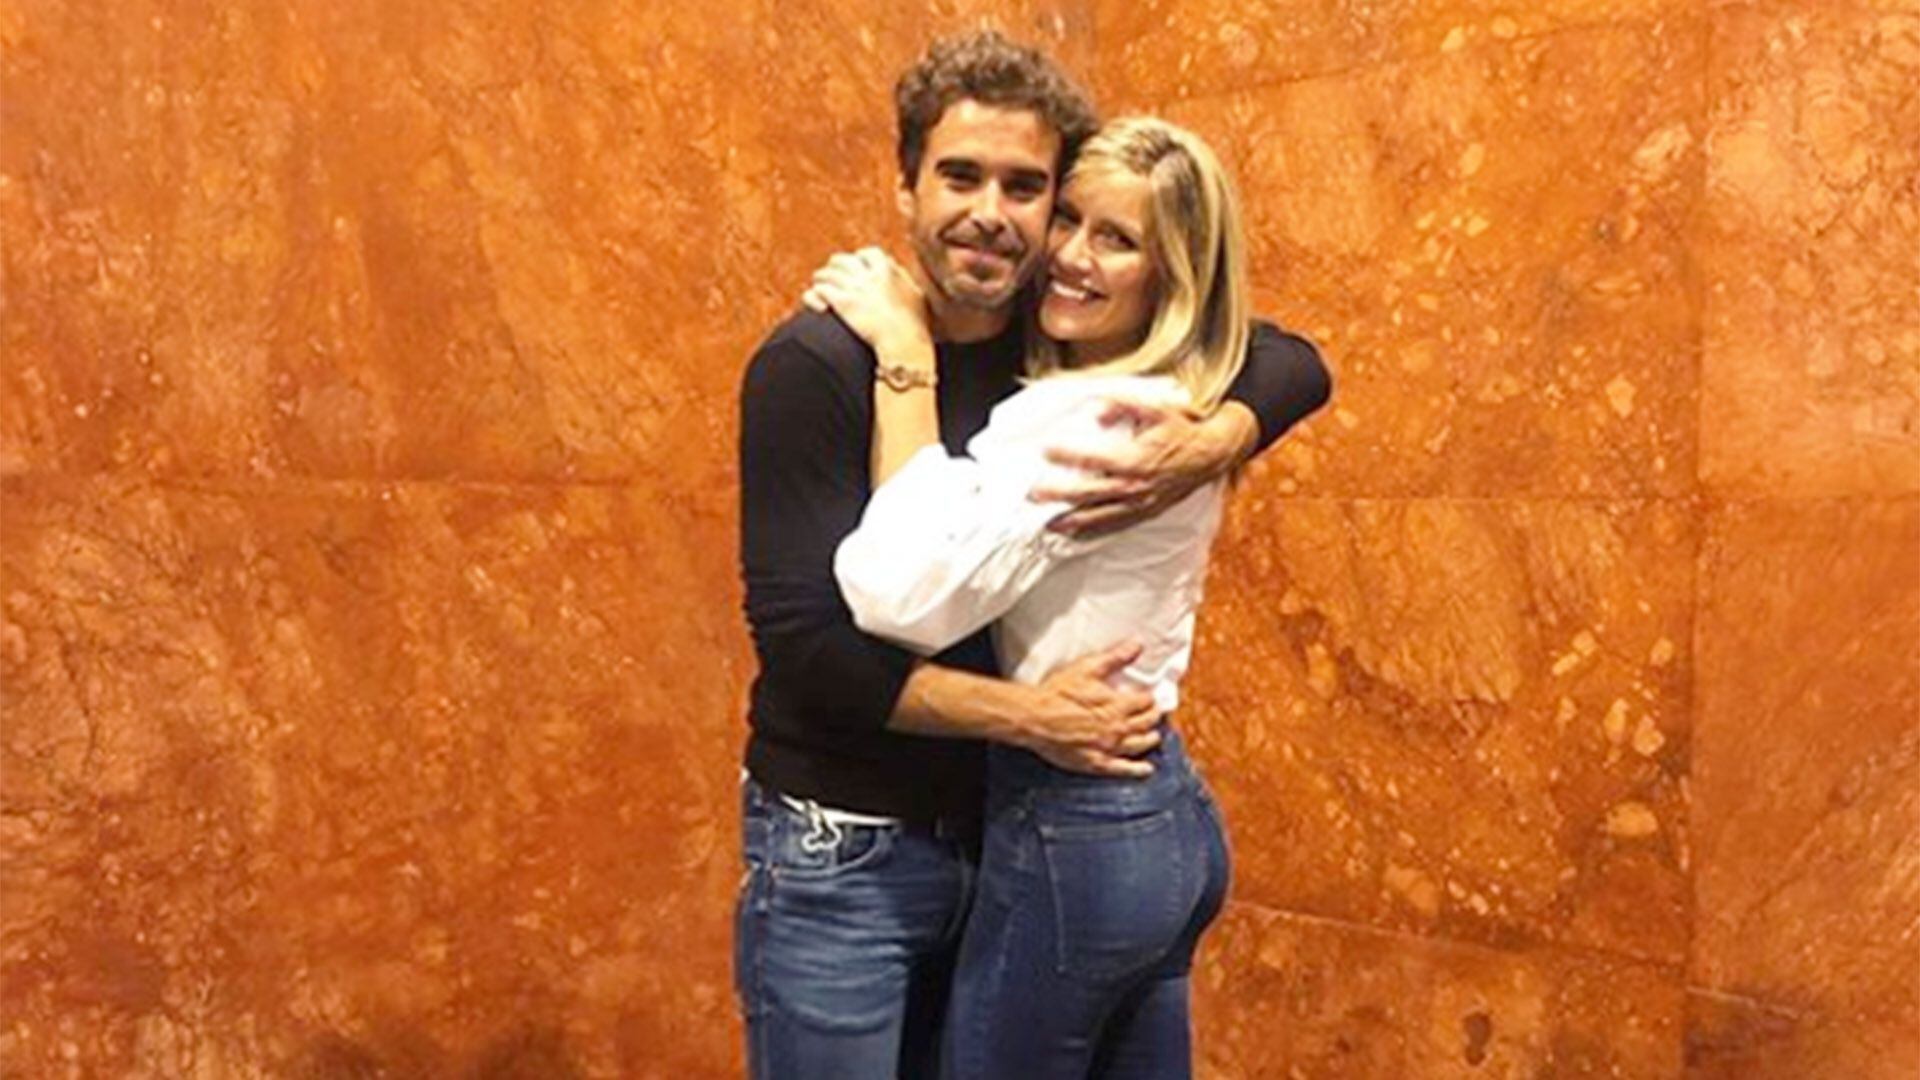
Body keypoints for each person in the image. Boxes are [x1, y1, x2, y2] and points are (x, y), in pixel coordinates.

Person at [736, 32, 1329, 1080]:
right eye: (960, 175)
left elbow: (1287, 357)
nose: (993, 213)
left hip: (1004, 826)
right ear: (907, 185)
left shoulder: (1056, 343)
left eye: (1027, 188)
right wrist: (1029, 718)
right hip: (847, 848)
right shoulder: (817, 362)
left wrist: (1220, 437)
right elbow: (810, 654)